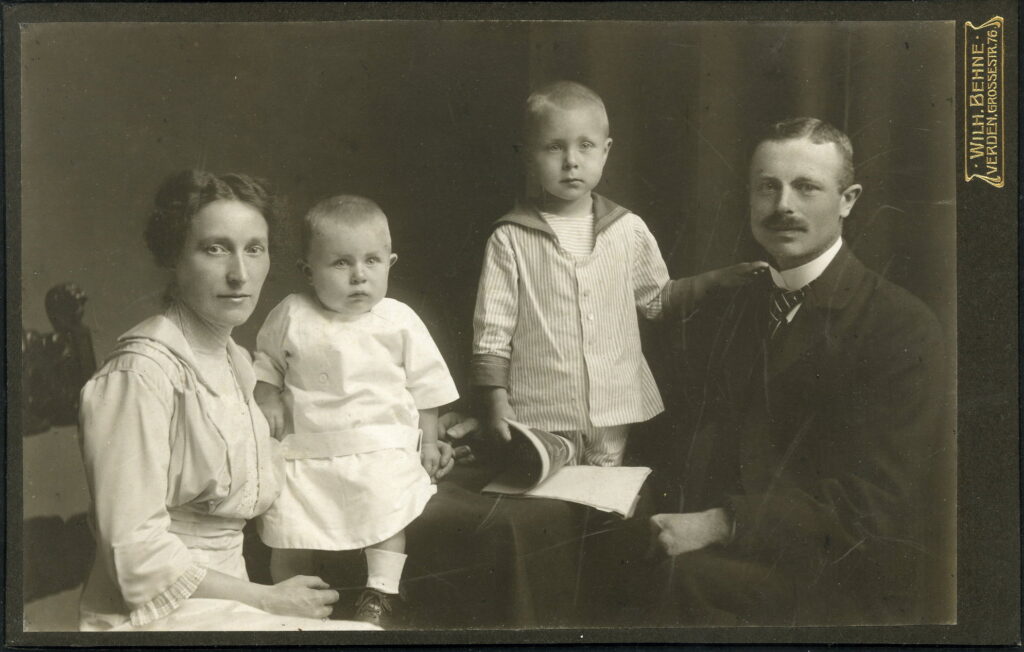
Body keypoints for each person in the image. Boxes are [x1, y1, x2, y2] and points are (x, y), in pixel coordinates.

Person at [645, 117, 947, 625]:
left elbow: (875, 507)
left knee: (673, 584)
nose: (783, 205)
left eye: (806, 187)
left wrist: (722, 524)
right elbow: (681, 436)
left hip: (832, 582)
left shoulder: (901, 326)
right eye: (767, 187)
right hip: (718, 550)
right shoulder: (732, 304)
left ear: (848, 199)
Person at [76, 170, 377, 631]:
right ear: (173, 256)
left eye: (254, 249)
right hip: (148, 614)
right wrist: (266, 598)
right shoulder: (141, 372)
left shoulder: (233, 360)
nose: (240, 274)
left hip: (226, 601)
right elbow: (134, 555)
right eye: (215, 248)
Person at [472, 80, 765, 467]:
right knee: (547, 500)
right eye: (554, 147)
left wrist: (716, 280)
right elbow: (493, 332)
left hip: (614, 407)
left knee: (601, 501)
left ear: (606, 152)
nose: (571, 160)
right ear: (528, 156)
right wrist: (496, 400)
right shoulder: (510, 237)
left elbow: (657, 299)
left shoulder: (628, 229)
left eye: (585, 145)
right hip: (538, 409)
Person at [252, 196, 459, 627]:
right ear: (308, 270)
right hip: (307, 449)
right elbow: (266, 366)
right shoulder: (291, 313)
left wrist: (431, 440)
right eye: (340, 264)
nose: (359, 276)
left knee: (386, 505)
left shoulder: (397, 319)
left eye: (372, 261)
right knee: (287, 522)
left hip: (379, 444)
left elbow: (427, 387)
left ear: (390, 262)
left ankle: (380, 592)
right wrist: (268, 397)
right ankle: (288, 600)